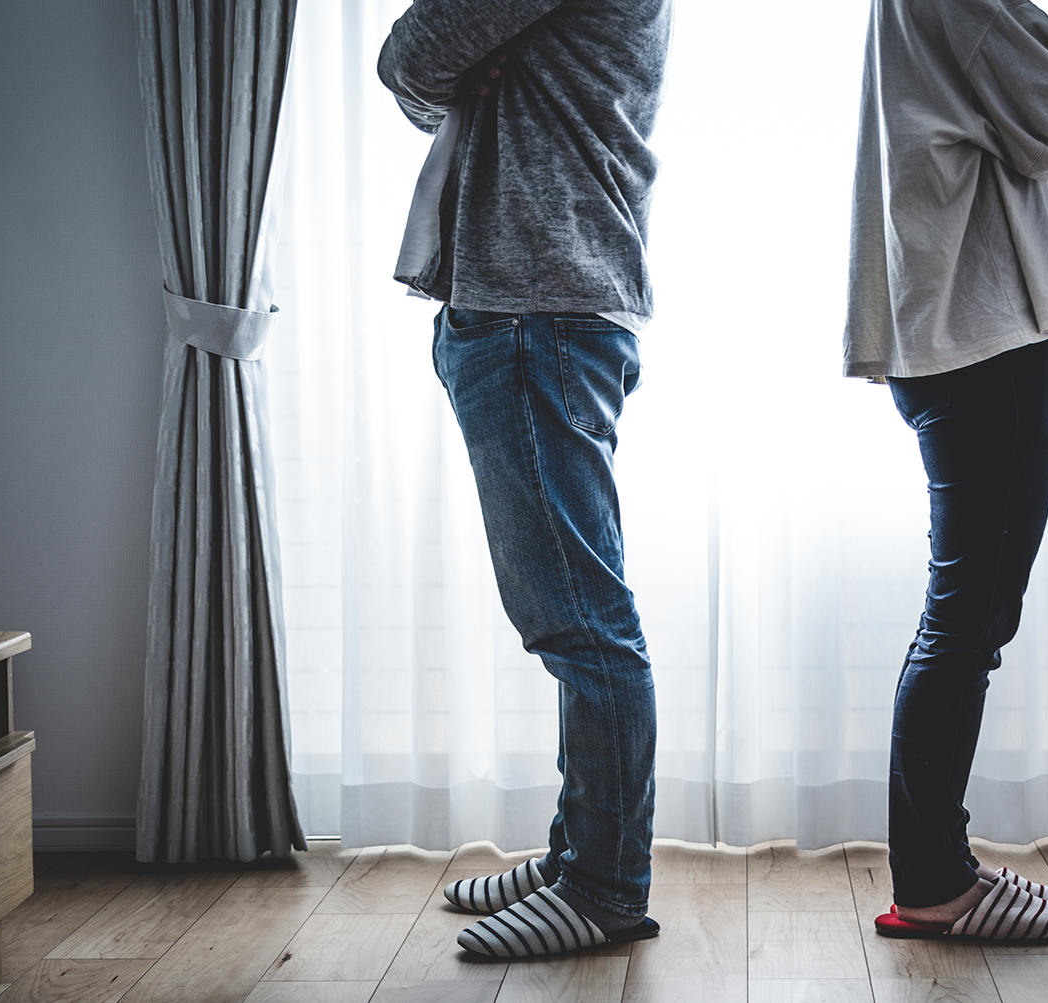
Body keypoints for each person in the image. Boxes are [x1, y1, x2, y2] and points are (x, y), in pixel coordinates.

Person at [377, 0, 671, 958]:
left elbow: (414, 53)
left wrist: (456, 66)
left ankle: (603, 888)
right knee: (578, 616)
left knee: (582, 622)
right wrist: (456, 69)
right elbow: (425, 70)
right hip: (540, 303)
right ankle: (581, 856)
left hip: (535, 306)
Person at [844, 0, 1048, 942]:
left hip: (960, 340)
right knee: (966, 627)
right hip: (989, 344)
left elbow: (1036, 123)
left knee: (962, 623)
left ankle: (945, 868)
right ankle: (935, 884)